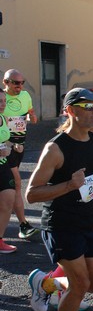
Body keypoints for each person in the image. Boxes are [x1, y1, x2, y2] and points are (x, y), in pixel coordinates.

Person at [25, 87, 93, 311]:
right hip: (61, 224)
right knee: (80, 284)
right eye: (87, 106)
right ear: (70, 111)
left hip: (88, 218)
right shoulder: (55, 148)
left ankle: (45, 284)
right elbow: (32, 193)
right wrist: (68, 185)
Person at [2, 69, 38, 239]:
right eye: (16, 83)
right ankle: (23, 224)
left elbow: (30, 114)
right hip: (7, 149)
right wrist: (11, 144)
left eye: (22, 83)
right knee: (15, 183)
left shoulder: (25, 96)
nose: (20, 86)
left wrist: (32, 116)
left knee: (11, 187)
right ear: (6, 82)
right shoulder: (2, 99)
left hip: (20, 147)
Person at [0, 89, 18, 253]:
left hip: (2, 164)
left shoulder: (3, 118)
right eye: (0, 101)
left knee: (8, 198)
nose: (3, 104)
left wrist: (14, 145)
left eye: (4, 101)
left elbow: (5, 138)